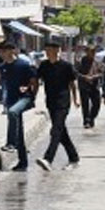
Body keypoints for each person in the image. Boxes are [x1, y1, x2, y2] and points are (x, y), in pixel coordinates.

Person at [35, 37, 80, 171]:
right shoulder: (44, 65)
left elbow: (72, 84)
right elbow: (36, 80)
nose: (48, 52)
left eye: (50, 50)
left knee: (55, 131)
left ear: (57, 51)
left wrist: (76, 99)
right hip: (50, 102)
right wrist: (31, 93)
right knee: (61, 131)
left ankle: (48, 159)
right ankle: (74, 158)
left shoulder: (66, 66)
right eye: (46, 50)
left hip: (63, 102)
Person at [0, 41, 38, 171]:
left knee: (13, 112)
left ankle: (11, 143)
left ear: (11, 51)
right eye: (1, 51)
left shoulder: (23, 65)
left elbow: (34, 82)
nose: (2, 54)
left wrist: (31, 94)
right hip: (12, 100)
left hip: (25, 98)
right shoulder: (3, 67)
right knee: (19, 132)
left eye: (4, 51)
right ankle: (23, 162)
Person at [76, 45, 104, 129]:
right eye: (91, 51)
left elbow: (102, 73)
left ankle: (92, 117)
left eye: (94, 52)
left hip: (94, 86)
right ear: (86, 52)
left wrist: (94, 77)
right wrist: (84, 77)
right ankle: (86, 121)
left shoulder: (97, 62)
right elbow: (76, 73)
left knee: (97, 104)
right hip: (84, 85)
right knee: (85, 104)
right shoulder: (80, 62)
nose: (92, 53)